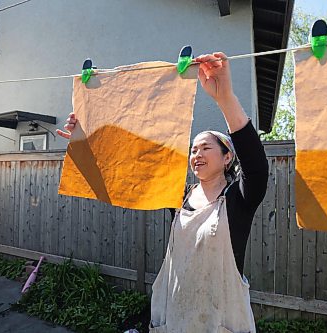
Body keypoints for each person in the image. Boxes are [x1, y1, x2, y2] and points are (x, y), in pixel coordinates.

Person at [57, 52, 269, 333]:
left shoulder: (239, 200)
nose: (197, 154)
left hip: (222, 324)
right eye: (193, 150)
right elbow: (126, 168)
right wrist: (85, 138)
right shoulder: (178, 197)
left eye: (206, 148)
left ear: (227, 157)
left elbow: (256, 166)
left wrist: (225, 98)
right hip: (174, 318)